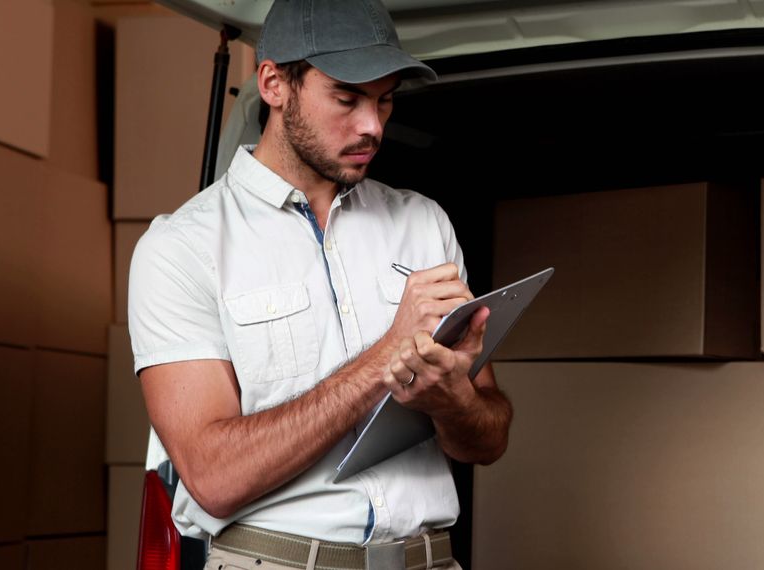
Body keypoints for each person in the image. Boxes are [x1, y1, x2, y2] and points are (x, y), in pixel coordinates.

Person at [127, 1, 513, 568]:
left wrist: (452, 399)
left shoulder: (423, 223)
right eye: (347, 98)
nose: (373, 126)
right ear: (274, 82)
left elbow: (490, 438)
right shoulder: (182, 247)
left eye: (384, 100)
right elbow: (212, 476)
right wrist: (387, 356)